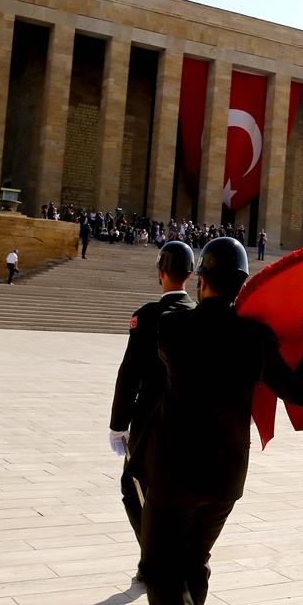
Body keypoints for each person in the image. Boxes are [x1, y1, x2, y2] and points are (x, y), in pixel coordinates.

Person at [138, 237, 303, 605]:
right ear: (242, 286)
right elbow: (298, 392)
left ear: (200, 280)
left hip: (174, 470)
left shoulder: (172, 329)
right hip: (224, 476)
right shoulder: (257, 339)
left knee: (162, 567)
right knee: (195, 562)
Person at [109, 241, 195, 584]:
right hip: (188, 424)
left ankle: (153, 557)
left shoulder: (146, 317)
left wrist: (118, 425)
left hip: (148, 425)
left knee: (134, 490)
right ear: (191, 275)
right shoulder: (198, 316)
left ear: (161, 273)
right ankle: (167, 556)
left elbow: (130, 374)